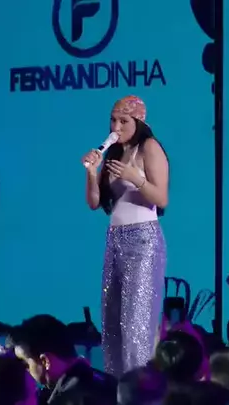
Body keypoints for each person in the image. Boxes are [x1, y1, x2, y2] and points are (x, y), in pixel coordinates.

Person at [81, 95, 169, 376]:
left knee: (136, 325)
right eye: (113, 120)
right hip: (115, 239)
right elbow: (95, 202)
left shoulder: (149, 147)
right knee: (112, 323)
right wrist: (92, 173)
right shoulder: (114, 153)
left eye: (123, 121)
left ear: (139, 122)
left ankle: (140, 388)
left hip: (143, 240)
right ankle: (116, 387)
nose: (116, 127)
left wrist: (136, 177)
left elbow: (162, 198)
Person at [11, 315, 117, 404]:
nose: (26, 371)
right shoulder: (104, 381)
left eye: (26, 365)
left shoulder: (70, 398)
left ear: (45, 361)